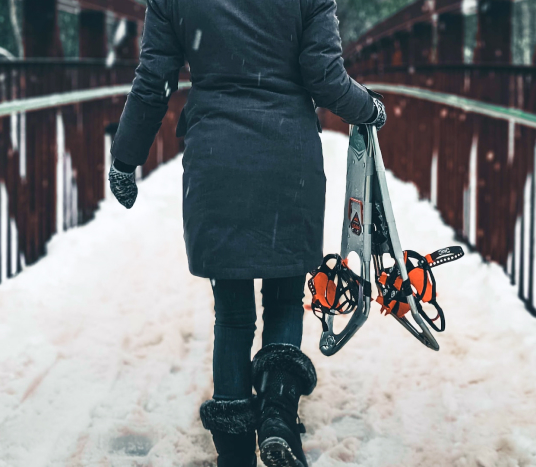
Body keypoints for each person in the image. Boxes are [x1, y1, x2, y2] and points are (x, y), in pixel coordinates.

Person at [108, 0, 385, 464]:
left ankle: (234, 452)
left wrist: (125, 157)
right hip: (287, 159)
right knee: (283, 299)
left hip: (218, 159)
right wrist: (368, 107)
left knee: (233, 317)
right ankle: (278, 413)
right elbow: (323, 75)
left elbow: (154, 81)